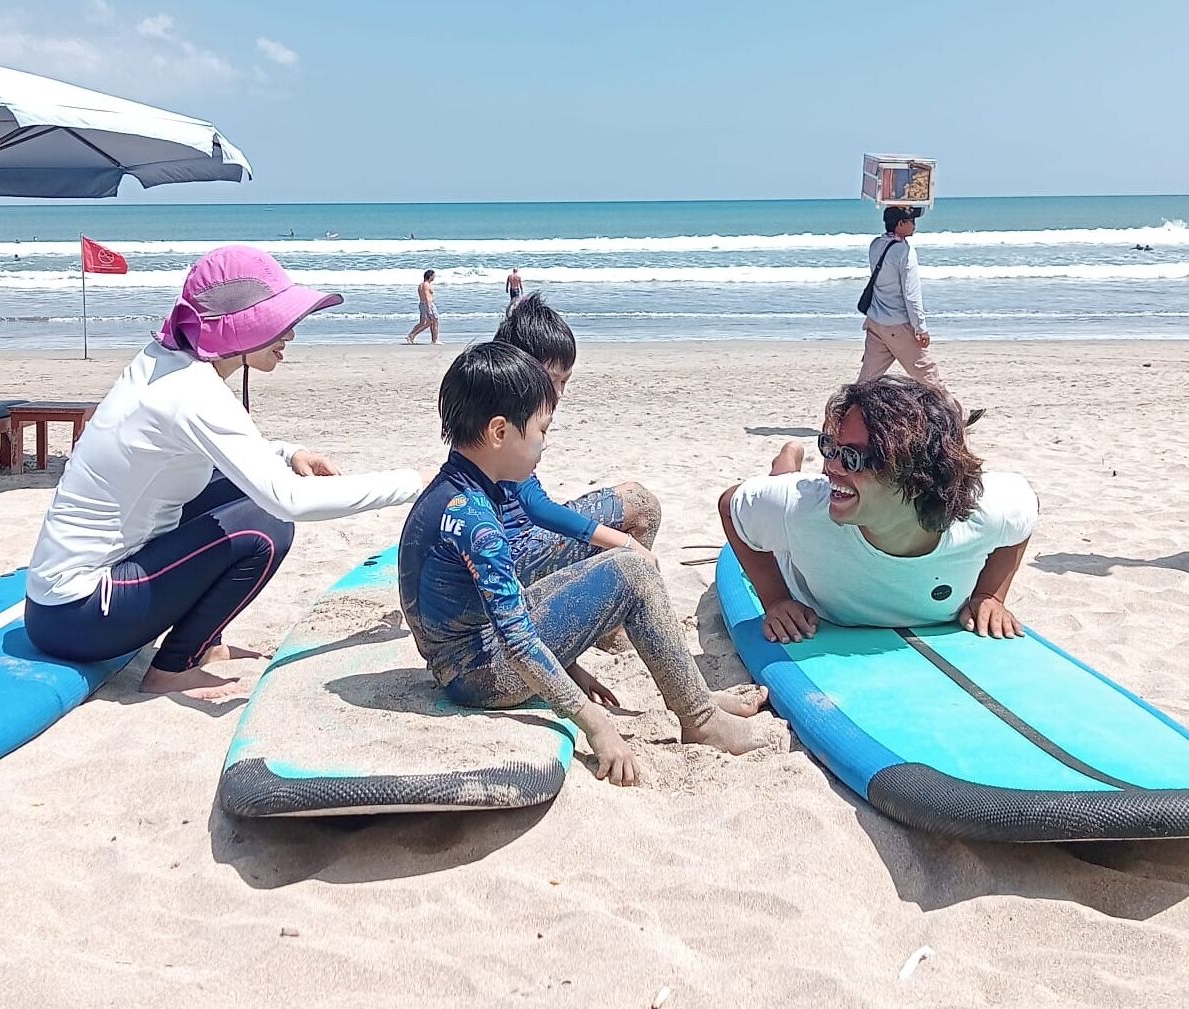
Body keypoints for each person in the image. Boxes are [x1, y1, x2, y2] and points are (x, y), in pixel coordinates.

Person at [24, 247, 424, 701]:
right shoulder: (190, 391)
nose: (290, 333)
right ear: (240, 324)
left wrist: (287, 452)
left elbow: (212, 452)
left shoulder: (168, 362)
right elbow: (288, 500)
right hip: (78, 616)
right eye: (276, 321)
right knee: (267, 526)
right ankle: (172, 668)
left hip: (58, 607)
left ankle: (206, 643)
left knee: (232, 490)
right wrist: (413, 483)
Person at [398, 343, 769, 786]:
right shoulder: (476, 522)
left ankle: (694, 696)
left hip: (462, 654)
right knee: (632, 570)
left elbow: (500, 608)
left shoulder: (456, 490)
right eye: (541, 430)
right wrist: (596, 724)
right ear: (500, 432)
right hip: (478, 674)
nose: (544, 442)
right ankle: (700, 718)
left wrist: (572, 664)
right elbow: (517, 643)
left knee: (623, 564)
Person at [718, 375, 1037, 644]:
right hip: (793, 533)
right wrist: (776, 598)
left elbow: (1025, 515)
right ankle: (787, 458)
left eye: (853, 458)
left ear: (918, 477)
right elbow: (730, 505)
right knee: (787, 484)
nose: (830, 465)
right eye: (830, 448)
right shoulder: (798, 509)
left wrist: (990, 595)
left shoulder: (987, 511)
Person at [491, 294, 661, 586]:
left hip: (514, 542)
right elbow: (537, 507)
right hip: (514, 556)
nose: (558, 393)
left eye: (565, 381)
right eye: (551, 380)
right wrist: (626, 543)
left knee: (632, 496)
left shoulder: (492, 402)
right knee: (642, 505)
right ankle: (615, 623)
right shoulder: (507, 425)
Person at [861, 207, 983, 426]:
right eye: (910, 221)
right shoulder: (904, 251)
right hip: (898, 326)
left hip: (875, 323)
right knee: (928, 375)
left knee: (867, 380)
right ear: (899, 224)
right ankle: (958, 417)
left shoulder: (875, 245)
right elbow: (911, 295)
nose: (914, 225)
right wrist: (921, 328)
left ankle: (846, 417)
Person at [405, 269, 441, 345]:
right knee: (434, 321)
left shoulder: (421, 285)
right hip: (428, 304)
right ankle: (434, 340)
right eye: (433, 275)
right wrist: (429, 309)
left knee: (424, 322)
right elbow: (427, 297)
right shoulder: (426, 285)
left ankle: (412, 335)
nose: (434, 277)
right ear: (430, 276)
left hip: (422, 304)